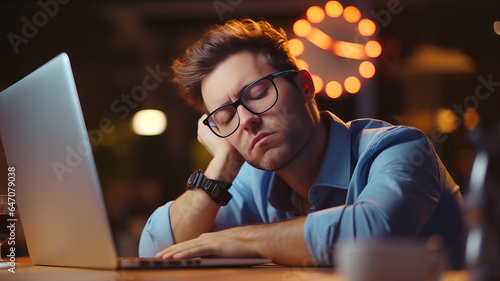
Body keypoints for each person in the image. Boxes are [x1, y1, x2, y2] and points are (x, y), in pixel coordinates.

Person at [138, 18, 465, 268]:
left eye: (257, 93)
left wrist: (243, 238)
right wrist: (221, 166)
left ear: (305, 86)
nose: (247, 119)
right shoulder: (254, 182)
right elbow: (156, 251)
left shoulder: (399, 149)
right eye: (225, 116)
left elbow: (373, 233)